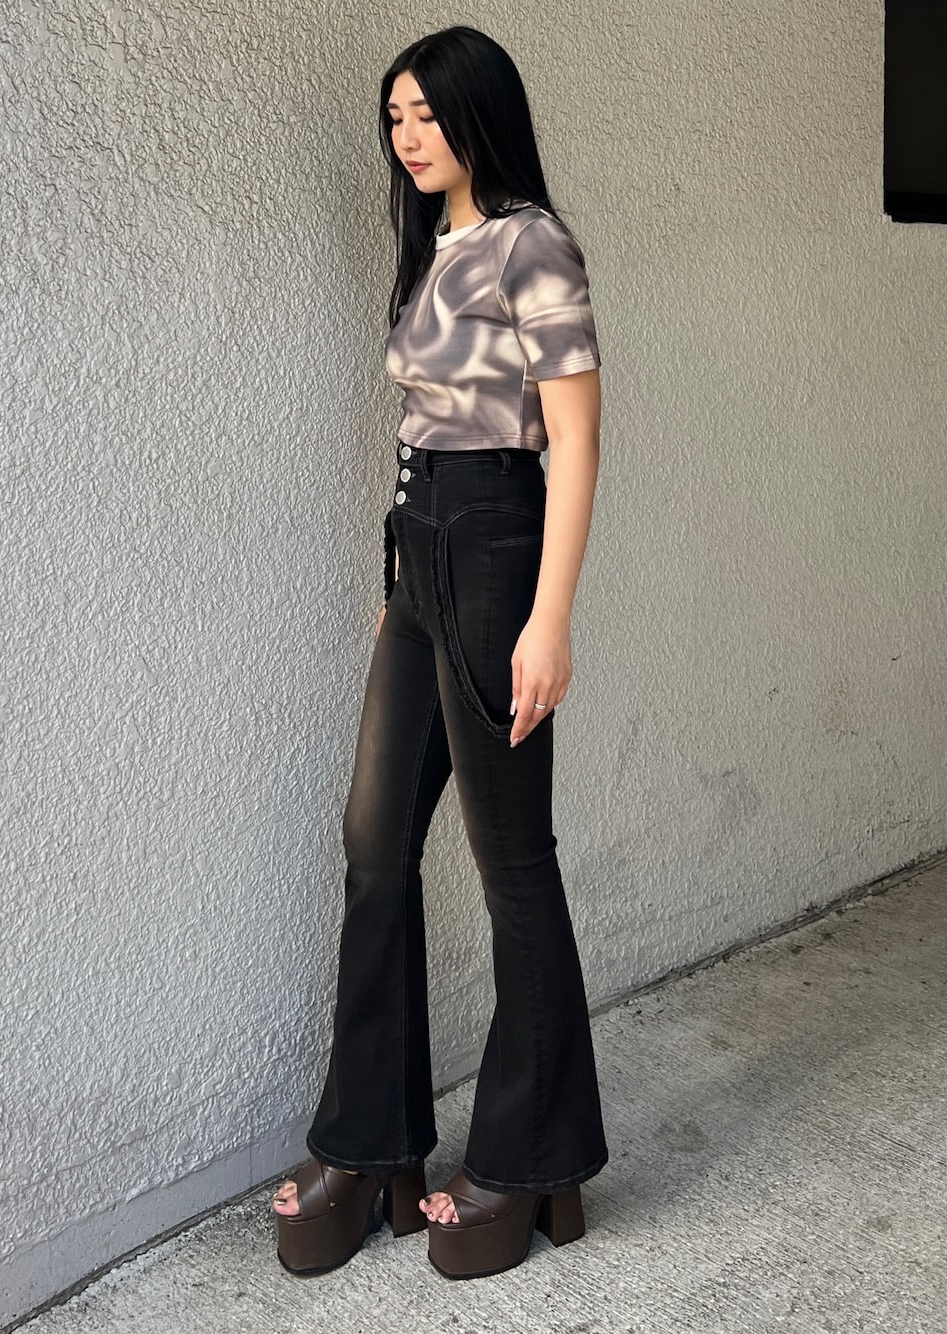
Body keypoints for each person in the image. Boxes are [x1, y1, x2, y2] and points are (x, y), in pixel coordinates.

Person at [273, 25, 607, 1281]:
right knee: (373, 845)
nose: (407, 135)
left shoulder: (532, 243)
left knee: (512, 861)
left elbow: (572, 439)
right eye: (395, 116)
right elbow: (418, 423)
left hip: (496, 553)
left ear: (479, 112)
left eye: (425, 112)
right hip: (420, 559)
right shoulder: (433, 246)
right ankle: (371, 1144)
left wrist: (549, 615)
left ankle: (532, 1154)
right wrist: (394, 583)